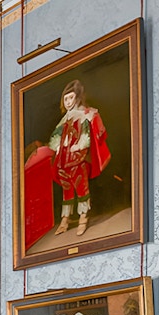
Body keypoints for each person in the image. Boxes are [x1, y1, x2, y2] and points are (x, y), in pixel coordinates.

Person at [48, 79, 111, 237]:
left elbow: (86, 135)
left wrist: (80, 146)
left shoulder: (84, 114)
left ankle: (83, 217)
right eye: (66, 98)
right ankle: (65, 220)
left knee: (80, 186)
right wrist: (56, 147)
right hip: (64, 157)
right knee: (66, 189)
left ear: (77, 97)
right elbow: (56, 136)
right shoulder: (65, 119)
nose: (68, 101)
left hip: (77, 157)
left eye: (71, 98)